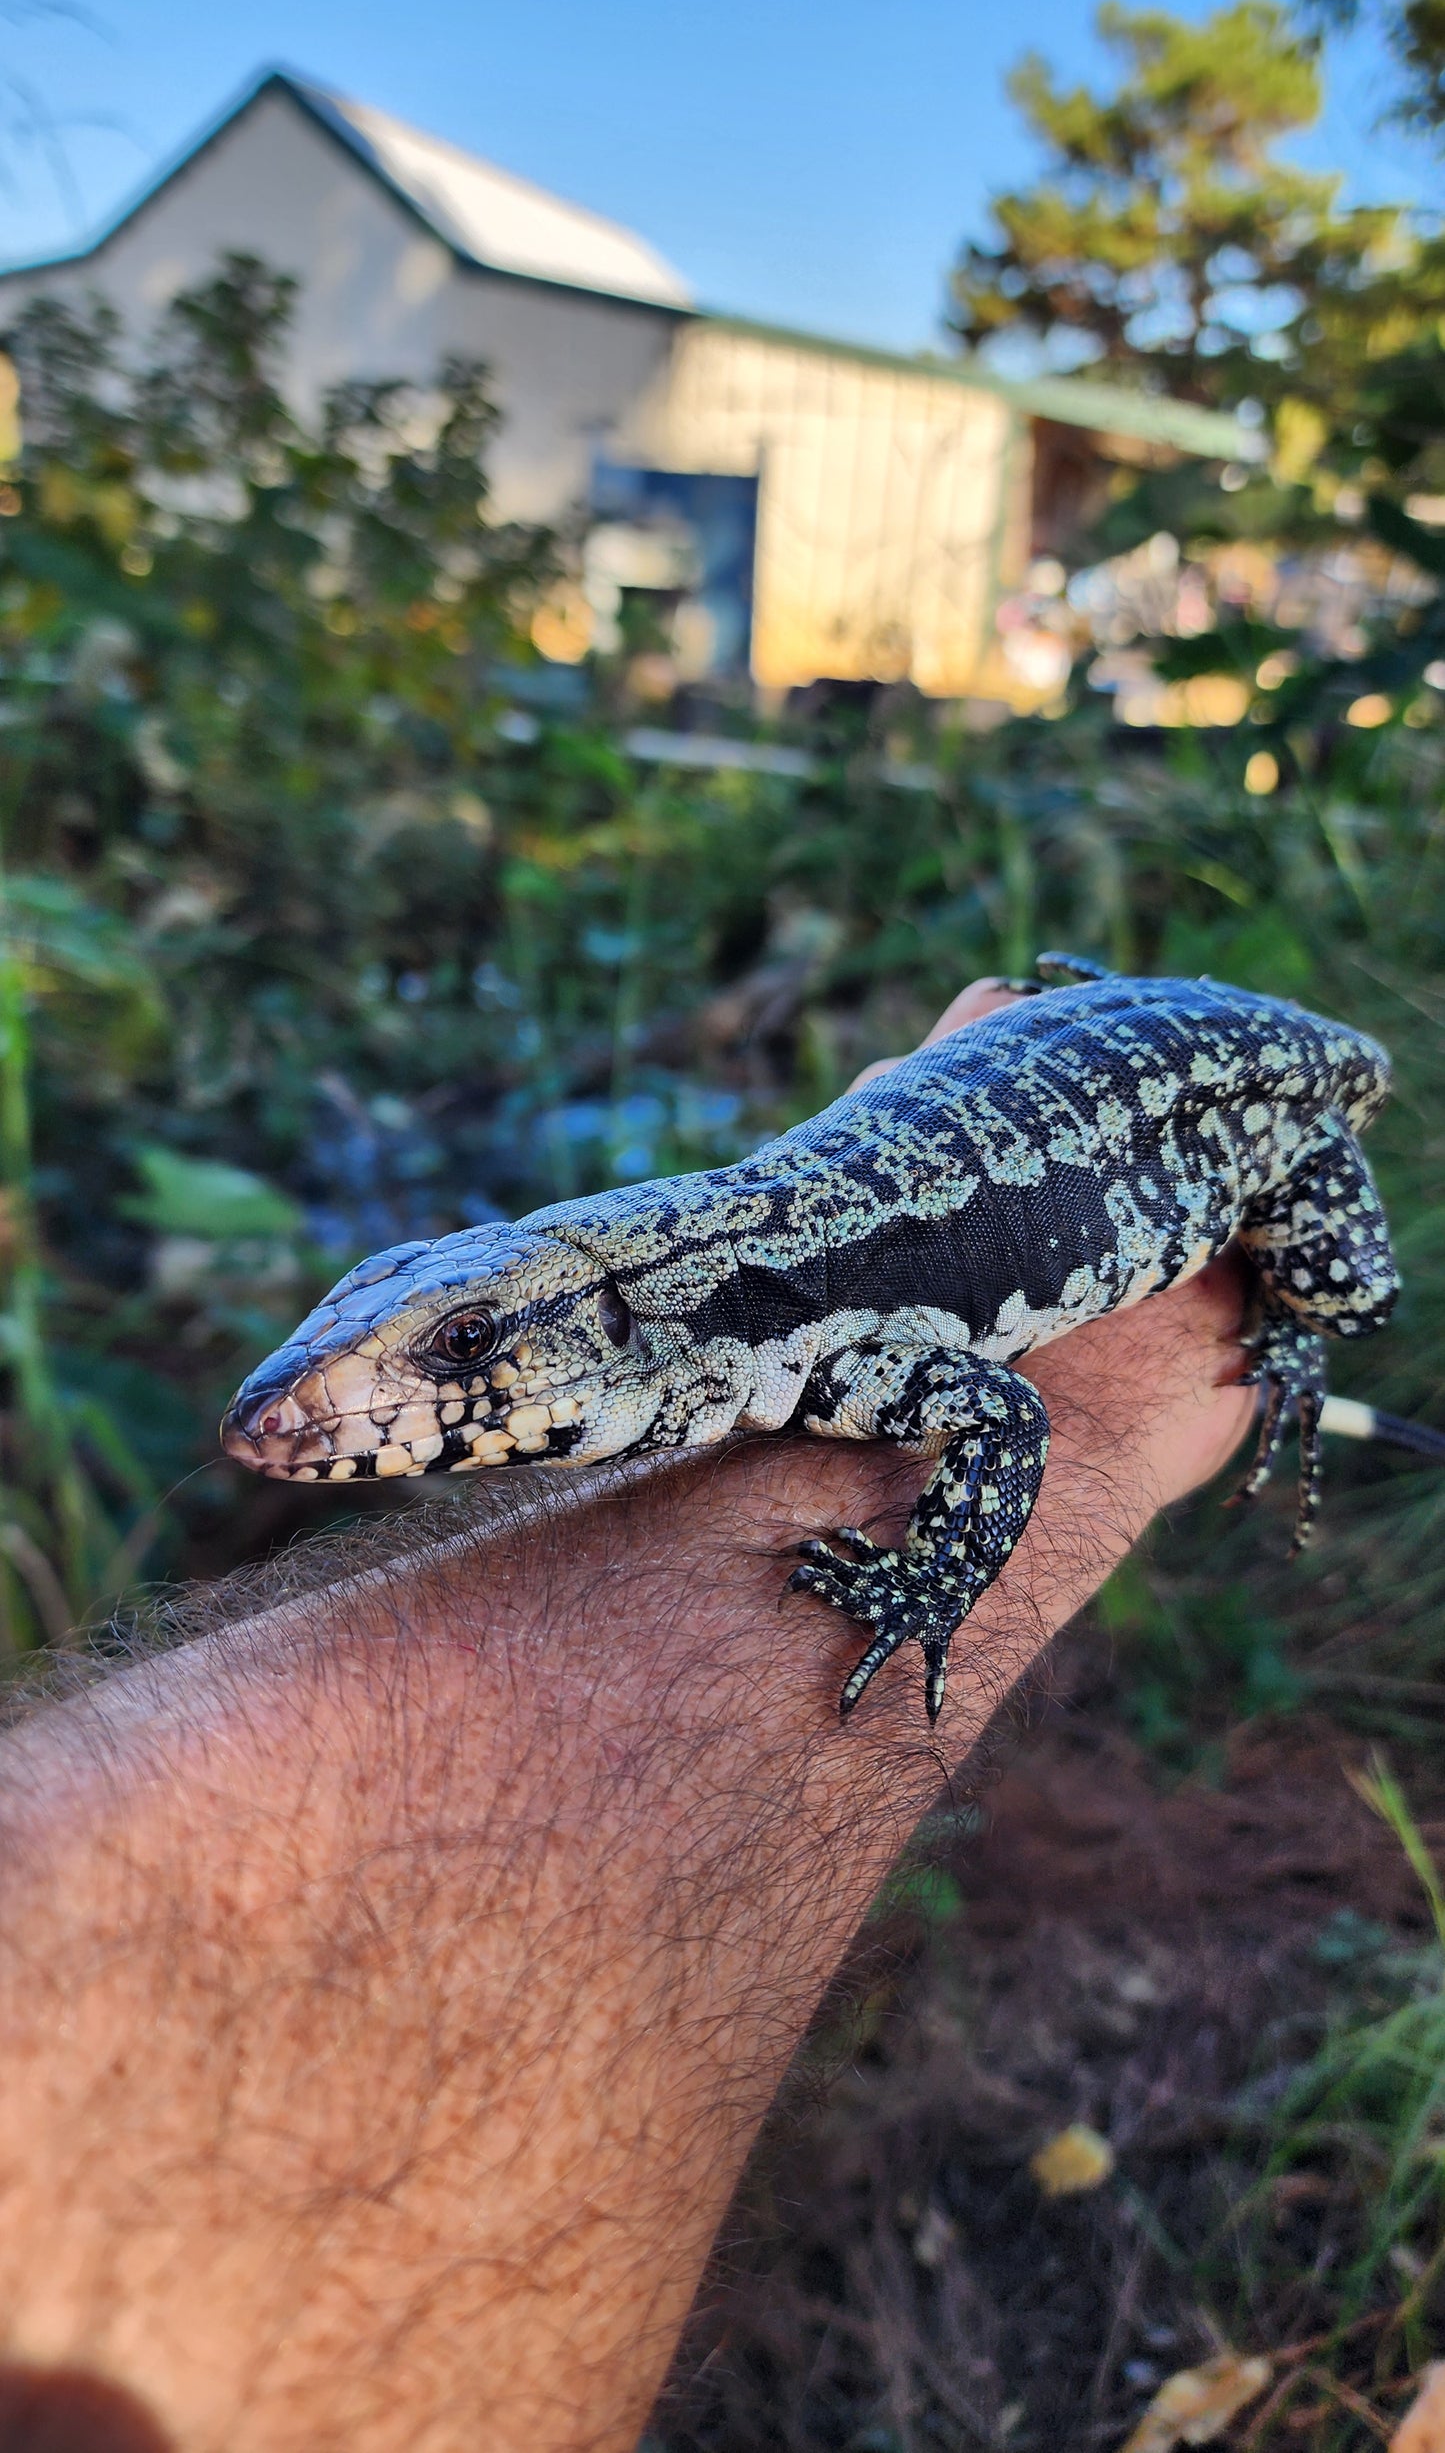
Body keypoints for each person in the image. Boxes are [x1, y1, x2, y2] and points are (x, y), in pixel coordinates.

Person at [0, 983, 1255, 2453]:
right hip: (1092, 1056)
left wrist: (929, 1586)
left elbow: (1003, 1415)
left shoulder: (829, 1325)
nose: (311, 1404)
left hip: (1233, 1087)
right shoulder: (770, 1330)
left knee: (1334, 1289)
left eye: (465, 1349)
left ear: (616, 1320)